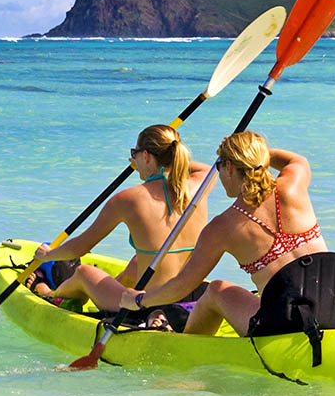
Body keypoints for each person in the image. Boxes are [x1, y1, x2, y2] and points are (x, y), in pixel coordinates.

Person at [119, 131, 327, 336]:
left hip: (284, 325)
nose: (218, 172)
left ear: (229, 167)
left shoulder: (222, 227)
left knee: (216, 290)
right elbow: (297, 159)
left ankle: (184, 348)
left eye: (219, 165)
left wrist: (139, 300)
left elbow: (182, 285)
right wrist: (252, 153)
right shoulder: (293, 185)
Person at [26, 124, 214, 315]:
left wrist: (48, 255)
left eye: (135, 153)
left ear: (147, 156)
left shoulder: (128, 199)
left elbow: (80, 247)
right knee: (135, 264)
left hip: (146, 304)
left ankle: (50, 294)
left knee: (84, 273)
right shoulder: (200, 185)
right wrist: (168, 160)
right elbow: (209, 168)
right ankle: (111, 288)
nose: (132, 159)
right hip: (192, 300)